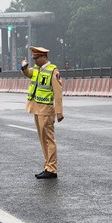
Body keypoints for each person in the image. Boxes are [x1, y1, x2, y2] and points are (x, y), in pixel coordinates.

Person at [21, 46, 64, 179]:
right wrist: (24, 67)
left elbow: (58, 93)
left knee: (48, 140)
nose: (34, 60)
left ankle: (52, 168)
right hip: (37, 108)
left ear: (44, 57)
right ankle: (48, 166)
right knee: (42, 140)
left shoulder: (53, 71)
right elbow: (28, 73)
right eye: (33, 58)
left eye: (36, 58)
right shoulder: (37, 69)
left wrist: (59, 112)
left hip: (46, 109)